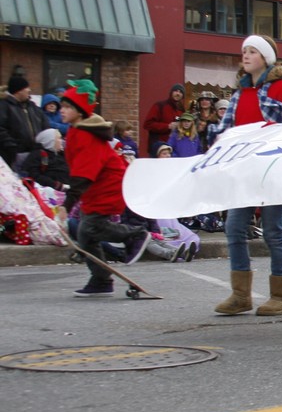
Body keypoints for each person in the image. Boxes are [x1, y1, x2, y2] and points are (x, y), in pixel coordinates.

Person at [212, 34, 282, 317]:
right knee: (234, 228)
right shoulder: (241, 93)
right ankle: (240, 294)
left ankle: (280, 297)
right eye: (244, 51)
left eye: (252, 51)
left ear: (266, 57)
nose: (246, 55)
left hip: (271, 170)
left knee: (274, 231)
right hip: (243, 171)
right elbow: (227, 132)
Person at [59, 80, 152, 296]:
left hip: (107, 185)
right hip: (95, 186)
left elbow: (84, 173)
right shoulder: (76, 130)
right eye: (62, 106)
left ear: (80, 111)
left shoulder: (86, 135)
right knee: (86, 235)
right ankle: (101, 280)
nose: (63, 111)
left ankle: (135, 235)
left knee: (91, 228)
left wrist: (67, 203)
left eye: (68, 107)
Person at [1, 75, 49, 171]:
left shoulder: (33, 107)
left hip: (35, 154)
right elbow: (1, 129)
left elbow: (45, 126)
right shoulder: (4, 106)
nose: (29, 90)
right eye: (26, 88)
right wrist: (13, 148)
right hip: (14, 156)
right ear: (19, 90)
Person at [142, 83, 186, 156]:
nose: (178, 93)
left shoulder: (181, 111)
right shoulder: (160, 106)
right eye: (176, 91)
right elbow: (147, 124)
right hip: (158, 149)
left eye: (181, 92)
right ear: (171, 92)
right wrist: (167, 126)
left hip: (174, 151)